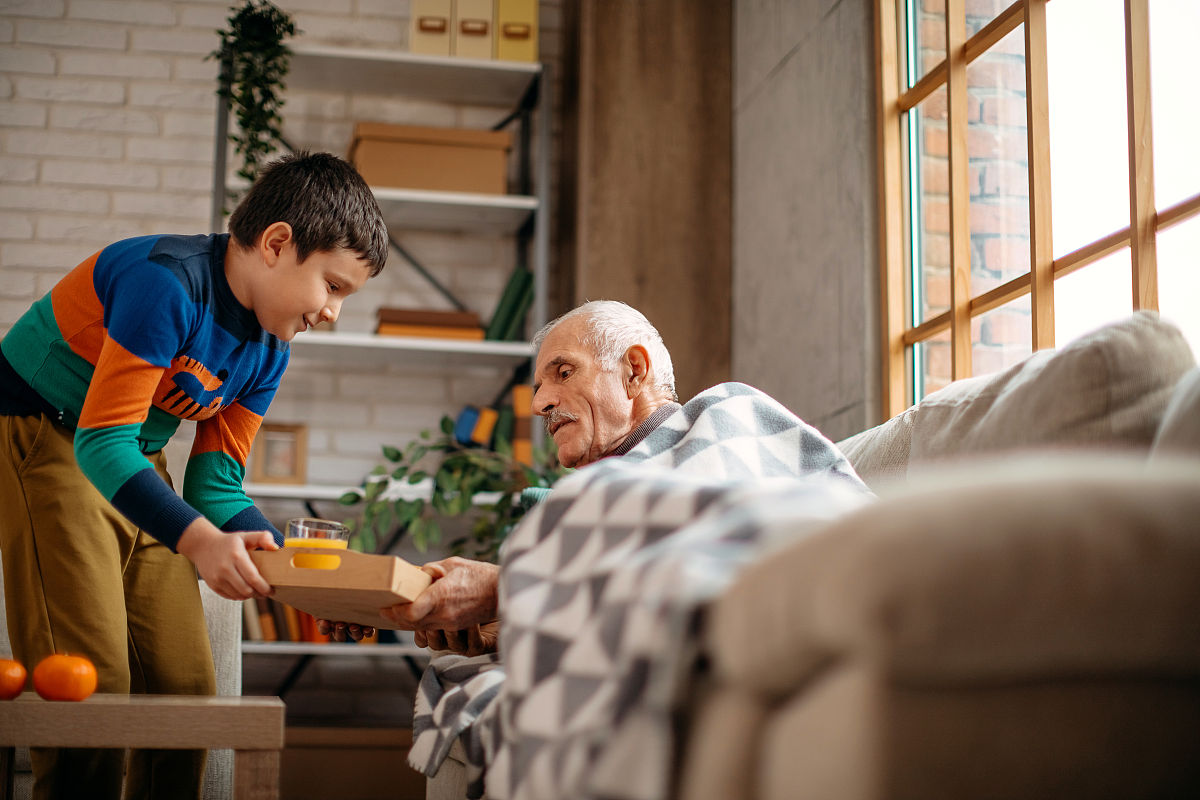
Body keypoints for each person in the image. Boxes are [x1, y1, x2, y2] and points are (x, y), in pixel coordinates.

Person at [0, 151, 388, 799]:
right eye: (334, 286)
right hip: (47, 433)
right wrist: (201, 540)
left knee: (184, 691)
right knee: (94, 684)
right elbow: (100, 444)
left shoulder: (268, 345)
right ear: (276, 244)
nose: (333, 313)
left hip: (129, 452)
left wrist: (306, 585)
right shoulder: (168, 285)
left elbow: (215, 487)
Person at [323, 301, 686, 650]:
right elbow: (615, 620)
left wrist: (502, 589)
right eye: (539, 387)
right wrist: (505, 633)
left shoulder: (727, 415)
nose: (538, 405)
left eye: (564, 373)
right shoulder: (584, 497)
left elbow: (692, 574)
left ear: (634, 371)